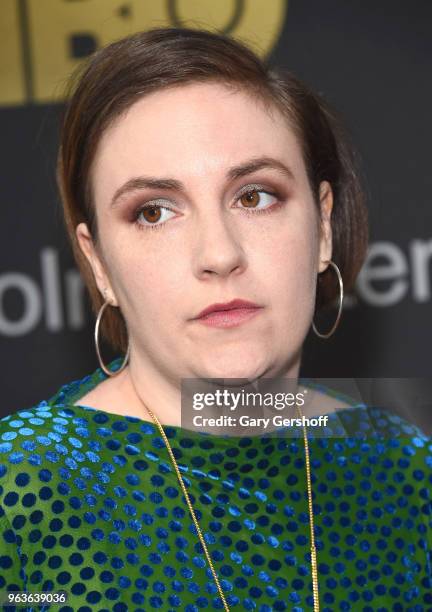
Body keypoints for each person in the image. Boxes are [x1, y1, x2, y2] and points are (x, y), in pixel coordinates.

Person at [0, 26, 430, 612]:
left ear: (322, 226)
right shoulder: (23, 488)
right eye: (153, 212)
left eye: (254, 196)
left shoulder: (402, 470)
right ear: (99, 263)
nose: (219, 253)